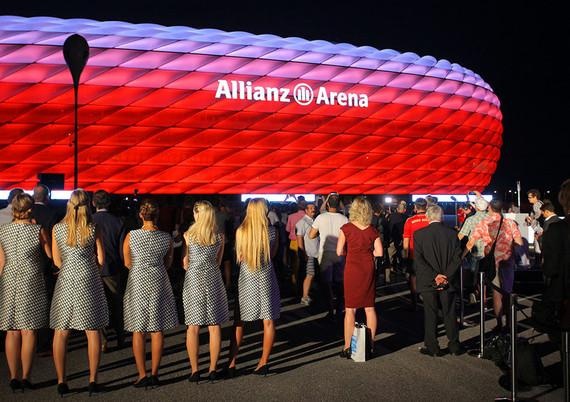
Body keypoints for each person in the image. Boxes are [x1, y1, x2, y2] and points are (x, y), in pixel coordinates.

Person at [49, 189, 107, 396]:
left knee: (61, 331)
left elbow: (56, 261)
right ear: (88, 205)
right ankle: (93, 380)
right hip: (88, 278)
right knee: (92, 331)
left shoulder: (57, 229)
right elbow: (101, 259)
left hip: (66, 279)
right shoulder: (93, 228)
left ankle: (62, 380)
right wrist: (92, 269)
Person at [123, 199, 178, 389]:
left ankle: (142, 374)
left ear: (141, 215)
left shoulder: (131, 236)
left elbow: (127, 262)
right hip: (158, 280)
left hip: (138, 280)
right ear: (157, 215)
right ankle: (155, 373)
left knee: (139, 329)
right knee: (157, 328)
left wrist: (139, 267)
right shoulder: (166, 237)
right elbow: (169, 263)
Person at [0, 193, 51, 392]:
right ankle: (26, 377)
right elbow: (49, 255)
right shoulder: (38, 230)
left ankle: (13, 376)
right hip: (31, 280)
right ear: (30, 209)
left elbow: (1, 262)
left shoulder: (3, 231)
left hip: (9, 279)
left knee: (12, 331)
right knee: (29, 330)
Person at [227, 198, 280, 377]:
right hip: (265, 277)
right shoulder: (272, 232)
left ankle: (231, 362)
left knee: (239, 320)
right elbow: (272, 254)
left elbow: (239, 257)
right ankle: (263, 362)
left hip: (247, 278)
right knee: (268, 320)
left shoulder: (241, 231)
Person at [182, 201, 229, 383]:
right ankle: (213, 368)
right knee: (214, 325)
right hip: (213, 278)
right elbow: (218, 262)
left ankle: (195, 370)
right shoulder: (218, 236)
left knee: (193, 327)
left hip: (194, 279)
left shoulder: (188, 235)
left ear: (197, 214)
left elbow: (185, 262)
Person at [336, 197, 383, 357]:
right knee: (370, 308)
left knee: (350, 309)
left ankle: (348, 346)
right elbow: (379, 252)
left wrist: (349, 253)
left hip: (352, 268)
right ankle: (370, 345)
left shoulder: (346, 228)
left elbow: (339, 251)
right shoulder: (372, 230)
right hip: (367, 268)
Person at [414, 205, 463, 356]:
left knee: (430, 313)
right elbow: (457, 258)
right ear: (441, 217)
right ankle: (454, 344)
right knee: (449, 313)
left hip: (428, 279)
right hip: (448, 280)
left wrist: (435, 275)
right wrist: (445, 275)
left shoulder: (419, 234)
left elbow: (419, 260)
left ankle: (432, 346)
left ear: (428, 217)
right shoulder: (452, 233)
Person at [467, 200, 523, 332]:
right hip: (508, 261)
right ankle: (510, 324)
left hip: (492, 262)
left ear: (490, 208)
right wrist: (508, 248)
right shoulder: (510, 223)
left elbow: (471, 242)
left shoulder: (484, 223)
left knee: (497, 294)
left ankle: (499, 323)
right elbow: (519, 242)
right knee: (508, 293)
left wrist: (461, 256)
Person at [92, 190, 126, 351]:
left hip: (93, 268)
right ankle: (120, 337)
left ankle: (103, 340)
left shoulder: (89, 221)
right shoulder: (118, 222)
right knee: (116, 304)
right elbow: (122, 250)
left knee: (97, 306)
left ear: (93, 203)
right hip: (113, 268)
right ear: (109, 203)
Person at [309, 193, 348, 319]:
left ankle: (331, 310)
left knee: (327, 284)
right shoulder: (344, 219)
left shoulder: (321, 217)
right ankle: (340, 307)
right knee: (339, 282)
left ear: (327, 204)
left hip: (325, 254)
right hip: (339, 254)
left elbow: (311, 235)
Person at [457, 193, 489, 304]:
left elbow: (461, 236)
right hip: (489, 252)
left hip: (475, 252)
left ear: (476, 207)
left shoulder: (471, 220)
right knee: (485, 276)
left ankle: (474, 294)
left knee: (473, 275)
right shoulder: (491, 218)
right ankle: (483, 297)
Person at [403, 198, 430, 310]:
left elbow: (406, 240)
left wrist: (405, 255)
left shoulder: (410, 221)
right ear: (426, 207)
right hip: (429, 254)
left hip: (414, 254)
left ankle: (414, 299)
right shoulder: (430, 219)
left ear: (415, 208)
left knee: (413, 276)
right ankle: (428, 298)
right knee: (428, 276)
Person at [296, 202, 319, 306]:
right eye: (310, 208)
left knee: (314, 274)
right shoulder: (302, 222)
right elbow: (299, 237)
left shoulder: (314, 220)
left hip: (317, 253)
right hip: (309, 253)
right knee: (310, 274)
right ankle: (304, 297)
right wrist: (303, 253)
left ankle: (309, 295)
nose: (312, 210)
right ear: (306, 210)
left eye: (313, 208)